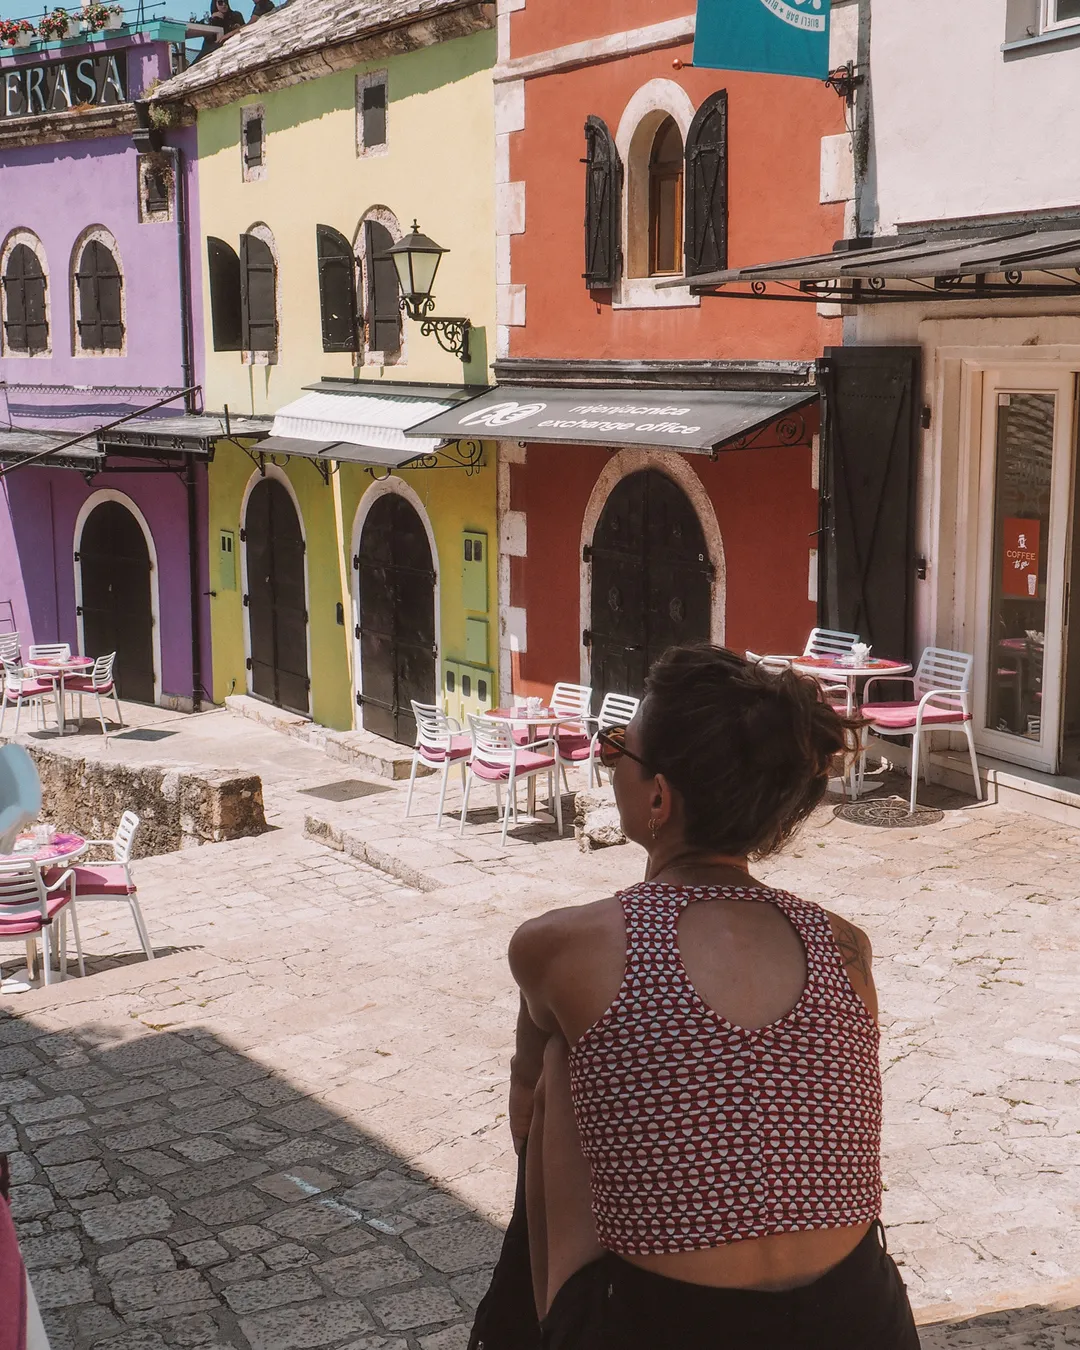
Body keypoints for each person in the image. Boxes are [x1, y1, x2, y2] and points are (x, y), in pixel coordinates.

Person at [505, 645, 920, 1349]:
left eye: (620, 754)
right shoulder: (845, 948)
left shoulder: (561, 946)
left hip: (663, 1324)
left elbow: (524, 1130)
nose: (611, 768)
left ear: (660, 797)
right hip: (859, 1318)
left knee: (561, 1060)